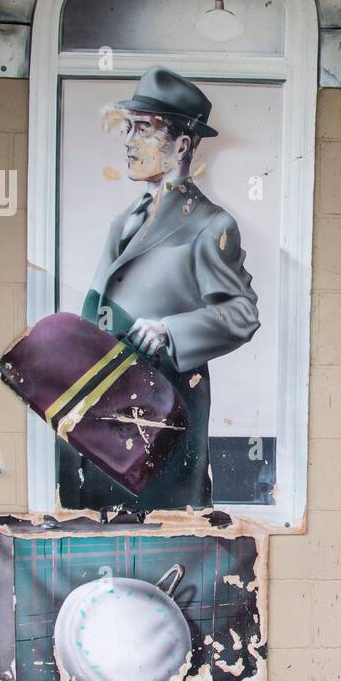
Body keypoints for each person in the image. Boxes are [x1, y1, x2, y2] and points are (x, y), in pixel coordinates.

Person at [58, 66, 260, 514]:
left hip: (162, 412)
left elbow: (242, 313)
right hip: (103, 407)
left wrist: (172, 330)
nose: (128, 141)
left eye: (144, 130)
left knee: (158, 538)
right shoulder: (126, 220)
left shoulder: (209, 224)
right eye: (128, 128)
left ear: (182, 146)